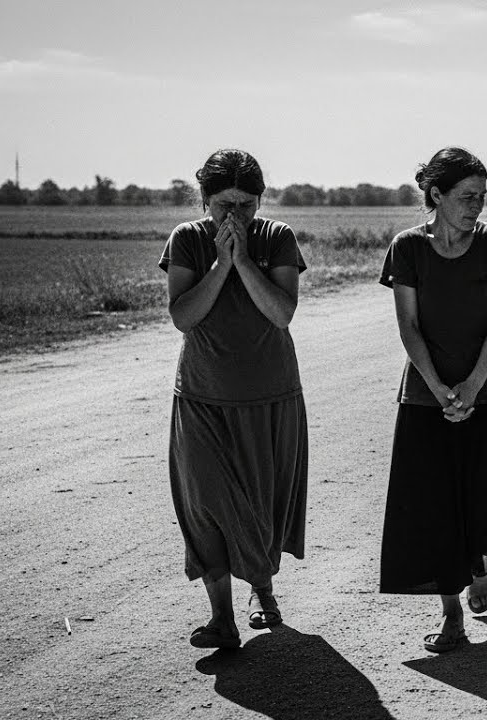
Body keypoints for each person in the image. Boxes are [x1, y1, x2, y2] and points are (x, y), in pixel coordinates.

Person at [159, 148, 309, 650]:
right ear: (204, 201)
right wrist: (221, 264)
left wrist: (243, 259)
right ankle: (221, 618)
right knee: (205, 505)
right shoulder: (187, 240)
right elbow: (184, 316)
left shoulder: (278, 238)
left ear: (260, 201)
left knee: (260, 509)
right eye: (224, 204)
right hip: (202, 397)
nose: (235, 215)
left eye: (246, 204)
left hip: (270, 396)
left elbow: (281, 312)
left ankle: (263, 590)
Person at [378, 147, 487, 654]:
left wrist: (472, 386)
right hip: (425, 396)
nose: (476, 206)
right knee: (435, 507)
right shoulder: (407, 249)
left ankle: (479, 557)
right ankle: (451, 616)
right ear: (436, 196)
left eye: (482, 196)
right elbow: (409, 325)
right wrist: (441, 388)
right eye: (466, 196)